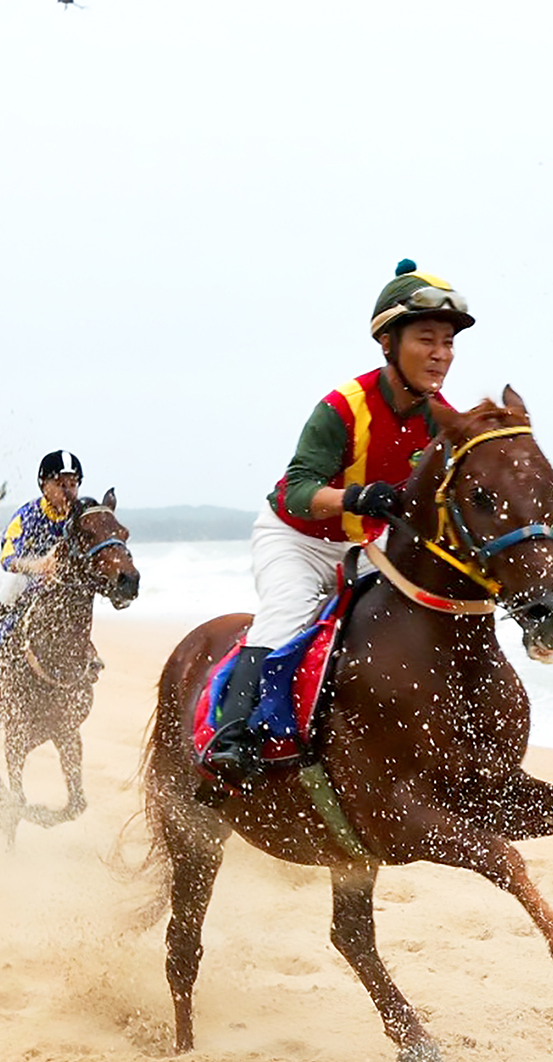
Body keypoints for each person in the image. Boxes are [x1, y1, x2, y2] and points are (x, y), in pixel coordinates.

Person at [203, 259, 475, 786]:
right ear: (388, 343)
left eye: (448, 342)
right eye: (427, 339)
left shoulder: (441, 418)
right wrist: (357, 496)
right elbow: (297, 490)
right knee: (285, 614)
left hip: (367, 547)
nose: (441, 354)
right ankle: (232, 735)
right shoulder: (342, 407)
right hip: (297, 539)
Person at [0, 450, 84, 606]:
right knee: (15, 582)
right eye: (60, 484)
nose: (68, 492)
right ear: (43, 485)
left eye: (73, 484)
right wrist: (39, 566)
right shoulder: (27, 517)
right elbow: (9, 562)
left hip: (36, 578)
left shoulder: (78, 519)